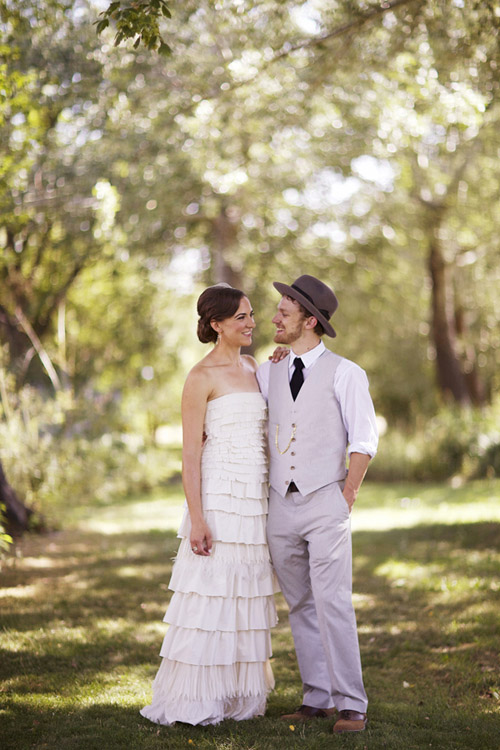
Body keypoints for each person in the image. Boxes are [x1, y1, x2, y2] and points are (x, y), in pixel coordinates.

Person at [141, 283, 278, 726]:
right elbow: (190, 454)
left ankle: (238, 696)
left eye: (252, 314)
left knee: (245, 590)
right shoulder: (200, 377)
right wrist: (197, 518)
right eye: (241, 317)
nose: (252, 323)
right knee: (211, 595)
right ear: (216, 324)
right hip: (219, 497)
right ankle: (196, 698)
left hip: (253, 499)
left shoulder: (256, 366)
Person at [257, 274, 378, 734]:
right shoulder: (269, 370)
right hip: (280, 506)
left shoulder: (347, 373)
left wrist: (347, 495)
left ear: (309, 321)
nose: (273, 318)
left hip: (326, 499)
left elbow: (364, 439)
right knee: (301, 603)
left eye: (283, 313)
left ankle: (352, 703)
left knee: (333, 602)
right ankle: (317, 697)